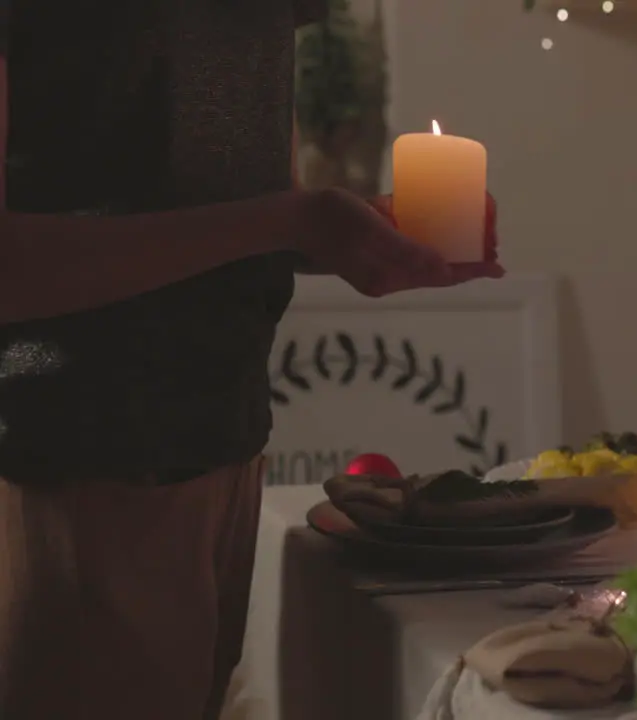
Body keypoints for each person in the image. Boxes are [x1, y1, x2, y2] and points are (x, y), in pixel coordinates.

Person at [0, 1, 503, 718]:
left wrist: (348, 234)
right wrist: (290, 221)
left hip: (228, 442)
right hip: (84, 459)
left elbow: (233, 197)